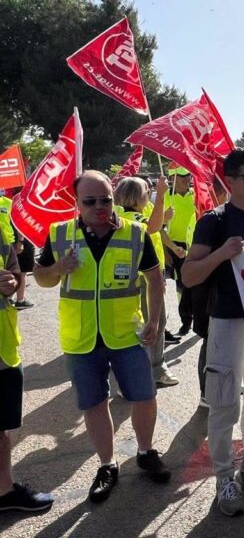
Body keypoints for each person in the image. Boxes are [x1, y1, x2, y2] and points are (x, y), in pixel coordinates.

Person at [34, 170, 169, 504]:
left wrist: (154, 319)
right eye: (90, 201)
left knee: (144, 396)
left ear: (114, 197)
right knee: (94, 403)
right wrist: (57, 270)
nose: (100, 206)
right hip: (81, 338)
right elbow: (41, 278)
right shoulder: (60, 234)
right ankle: (107, 466)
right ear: (76, 203)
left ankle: (145, 451)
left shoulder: (135, 234)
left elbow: (155, 278)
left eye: (106, 199)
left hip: (125, 334)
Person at [182, 148, 244, 517]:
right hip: (227, 320)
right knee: (226, 403)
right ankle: (225, 476)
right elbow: (189, 274)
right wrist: (221, 254)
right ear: (229, 181)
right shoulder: (214, 220)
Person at [0, 237, 53, 513]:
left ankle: (4, 490)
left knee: (2, 427)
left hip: (4, 347)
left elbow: (15, 273)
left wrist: (11, 283)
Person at [114, 176, 179, 387]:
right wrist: (160, 196)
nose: (149, 192)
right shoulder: (131, 216)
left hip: (149, 277)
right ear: (135, 197)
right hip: (143, 281)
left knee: (152, 324)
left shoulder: (125, 213)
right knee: (154, 324)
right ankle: (153, 369)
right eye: (146, 190)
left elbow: (156, 229)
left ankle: (142, 371)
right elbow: (151, 228)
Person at [164, 166, 196, 336]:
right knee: (181, 285)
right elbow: (158, 227)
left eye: (188, 176)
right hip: (175, 246)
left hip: (196, 243)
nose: (186, 180)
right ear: (173, 178)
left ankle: (199, 317)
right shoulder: (165, 196)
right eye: (182, 177)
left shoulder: (195, 194)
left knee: (198, 282)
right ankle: (186, 320)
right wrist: (168, 250)